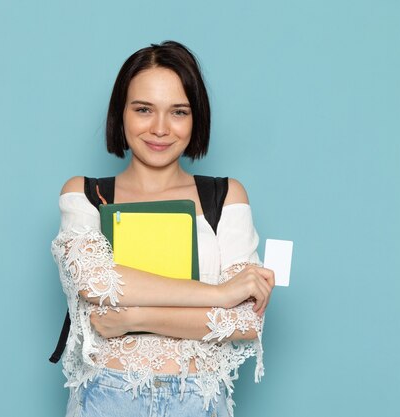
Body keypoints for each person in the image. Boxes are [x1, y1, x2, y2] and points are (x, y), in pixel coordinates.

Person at [51, 41, 275, 417]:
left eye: (178, 112)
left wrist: (136, 317)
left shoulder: (225, 197)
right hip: (108, 396)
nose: (159, 128)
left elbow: (245, 320)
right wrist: (221, 293)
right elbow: (99, 283)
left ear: (195, 118)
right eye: (143, 109)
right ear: (120, 113)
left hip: (198, 401)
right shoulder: (84, 195)